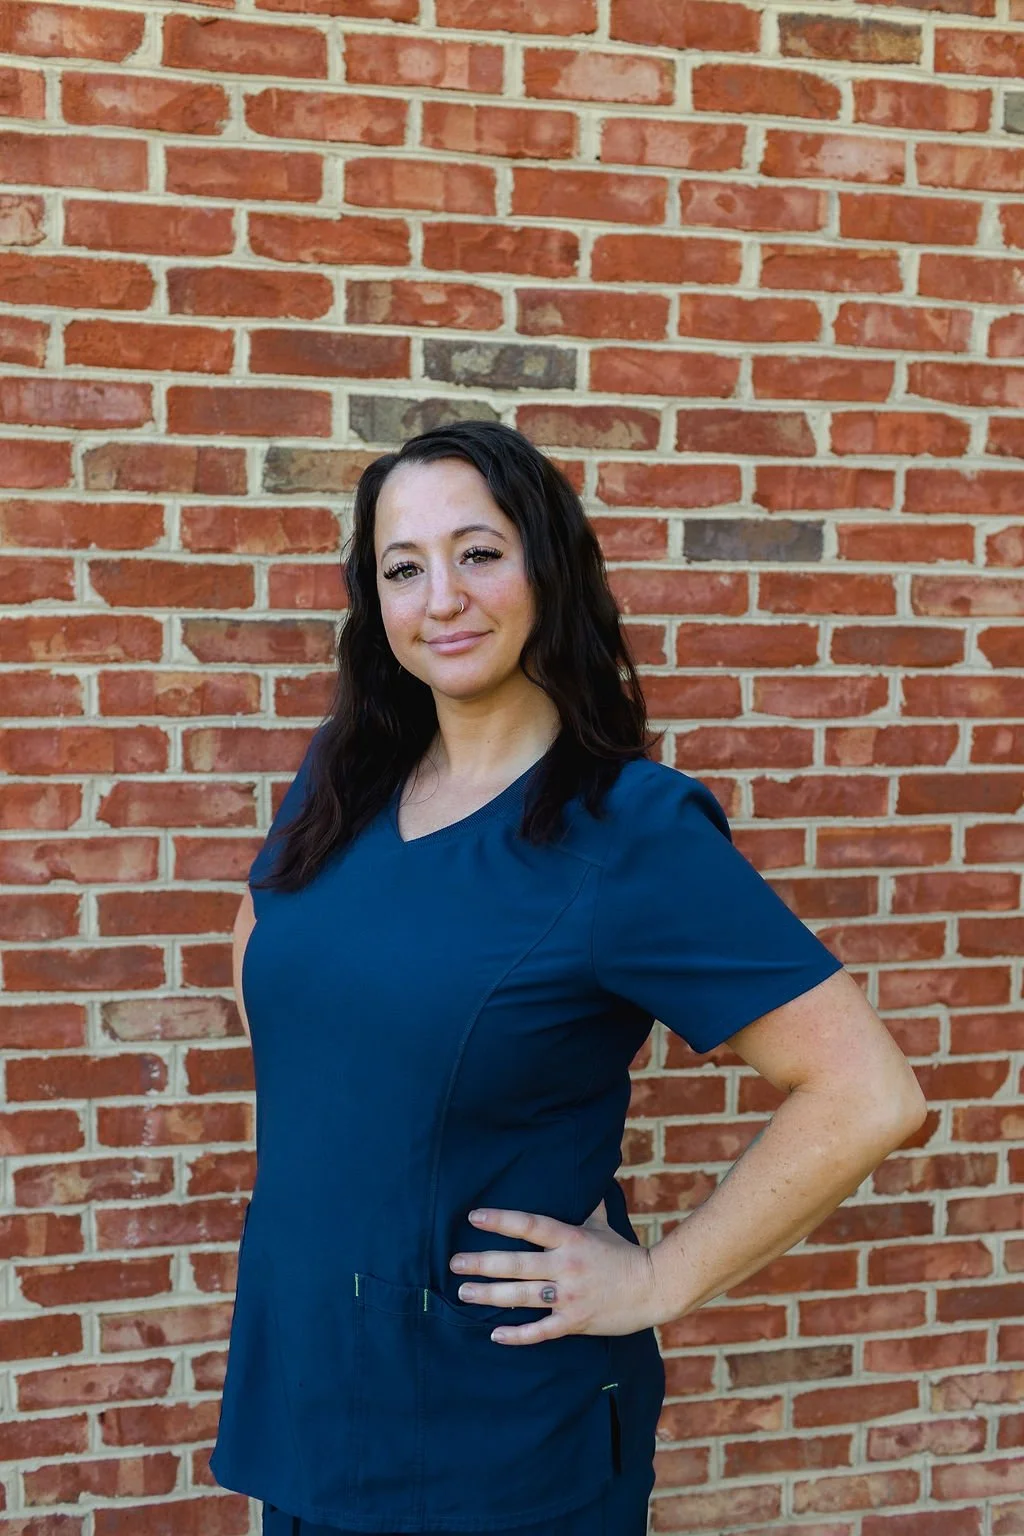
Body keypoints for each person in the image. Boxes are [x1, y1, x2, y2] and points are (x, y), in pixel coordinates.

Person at [208, 420, 927, 1536]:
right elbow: (268, 938)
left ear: (547, 562)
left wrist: (660, 1279)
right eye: (403, 568)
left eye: (478, 552)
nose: (440, 596)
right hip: (306, 1384)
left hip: (487, 1431)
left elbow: (866, 1093)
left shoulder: (628, 831)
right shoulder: (342, 778)